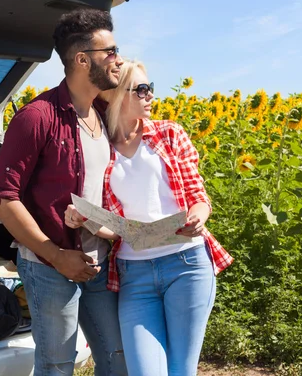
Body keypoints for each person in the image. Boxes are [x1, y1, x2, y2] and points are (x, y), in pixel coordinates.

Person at [65, 60, 234, 376]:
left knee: (181, 369)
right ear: (115, 96)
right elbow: (112, 228)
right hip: (135, 273)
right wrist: (83, 219)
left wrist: (198, 216)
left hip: (187, 264)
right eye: (140, 89)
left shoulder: (170, 133)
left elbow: (198, 195)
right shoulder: (103, 150)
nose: (150, 95)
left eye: (150, 87)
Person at [0, 8, 127, 376]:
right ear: (82, 60)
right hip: (50, 266)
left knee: (118, 360)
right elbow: (3, 198)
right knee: (57, 366)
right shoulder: (37, 117)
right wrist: (55, 255)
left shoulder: (103, 113)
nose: (118, 59)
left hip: (99, 262)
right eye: (110, 52)